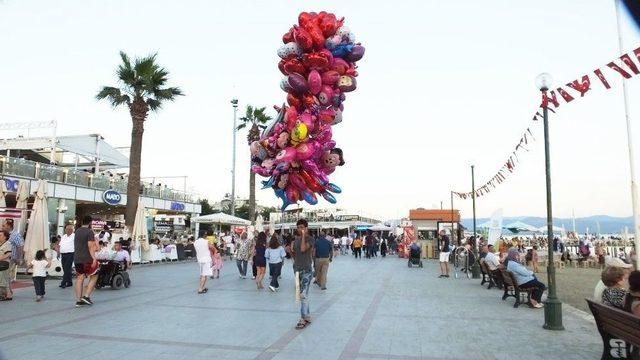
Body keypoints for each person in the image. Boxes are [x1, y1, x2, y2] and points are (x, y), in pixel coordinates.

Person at [291, 219, 314, 330]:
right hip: (297, 270)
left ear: (306, 228)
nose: (300, 229)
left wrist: (304, 236)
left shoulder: (310, 239)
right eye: (298, 227)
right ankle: (307, 316)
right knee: (302, 295)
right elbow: (295, 255)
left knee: (303, 294)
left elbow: (303, 249)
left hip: (307, 270)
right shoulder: (296, 240)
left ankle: (303, 318)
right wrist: (290, 251)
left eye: (302, 227)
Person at [74, 216, 100, 307]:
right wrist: (94, 258)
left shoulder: (77, 231)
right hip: (87, 258)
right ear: (90, 223)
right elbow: (90, 246)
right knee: (95, 275)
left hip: (77, 258)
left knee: (80, 278)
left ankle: (78, 300)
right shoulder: (89, 232)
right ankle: (86, 296)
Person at [3, 219, 24, 285]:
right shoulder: (4, 234)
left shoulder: (16, 235)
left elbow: (20, 247)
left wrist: (19, 258)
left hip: (11, 259)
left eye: (4, 225)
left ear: (9, 226)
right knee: (3, 276)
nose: (2, 227)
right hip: (3, 258)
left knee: (7, 276)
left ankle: (8, 293)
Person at [194, 230, 214, 294]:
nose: (206, 235)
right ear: (203, 235)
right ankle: (200, 289)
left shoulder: (195, 242)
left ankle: (203, 287)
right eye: (205, 234)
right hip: (206, 259)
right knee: (204, 275)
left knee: (202, 274)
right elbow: (212, 247)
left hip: (200, 259)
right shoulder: (206, 241)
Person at [0, 230, 14, 301]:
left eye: (0, 235)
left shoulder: (7, 244)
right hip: (1, 264)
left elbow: (8, 254)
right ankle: (8, 295)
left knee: (3, 280)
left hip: (4, 264)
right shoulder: (0, 244)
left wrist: (1, 258)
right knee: (5, 279)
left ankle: (4, 295)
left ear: (5, 237)